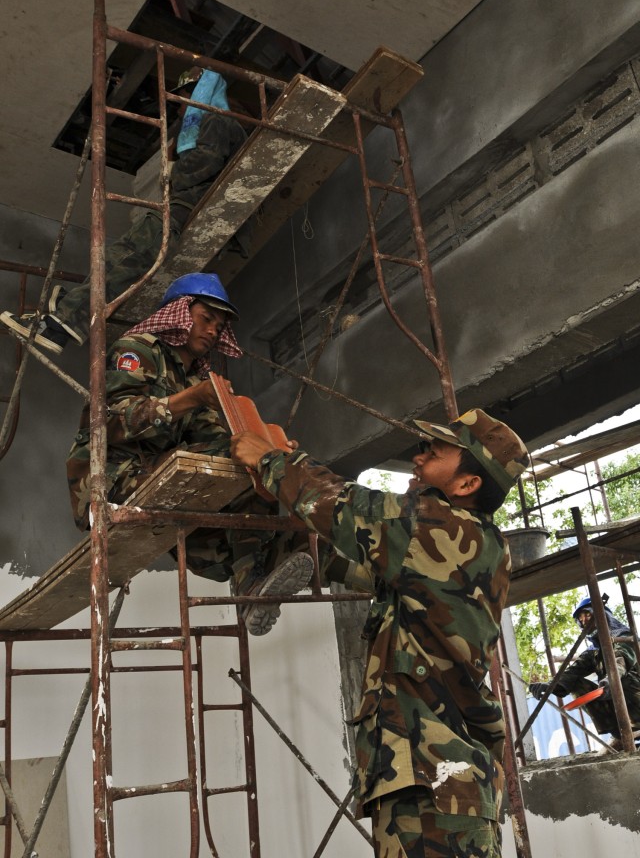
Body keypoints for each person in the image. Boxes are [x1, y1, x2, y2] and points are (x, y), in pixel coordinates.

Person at [230, 409, 529, 857]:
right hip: (438, 785)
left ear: (468, 485)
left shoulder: (439, 528)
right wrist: (293, 546)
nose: (419, 456)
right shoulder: (459, 547)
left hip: (433, 786)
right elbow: (359, 564)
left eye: (436, 451)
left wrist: (272, 459)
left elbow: (346, 508)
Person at [66, 271, 313, 636]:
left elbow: (220, 440)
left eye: (220, 325)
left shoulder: (198, 380)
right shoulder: (136, 350)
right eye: (206, 319)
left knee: (254, 472)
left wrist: (270, 448)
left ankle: (254, 581)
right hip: (112, 481)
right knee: (246, 462)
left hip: (165, 478)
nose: (214, 330)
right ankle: (253, 580)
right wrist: (189, 400)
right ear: (179, 314)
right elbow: (114, 424)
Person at [1, 67, 248, 355]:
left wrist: (171, 169)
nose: (179, 109)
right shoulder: (216, 124)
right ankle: (65, 311)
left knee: (127, 260)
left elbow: (202, 166)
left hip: (184, 209)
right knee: (119, 257)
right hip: (181, 209)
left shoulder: (216, 120)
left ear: (199, 94)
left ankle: (59, 326)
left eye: (182, 100)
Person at [529, 595, 640, 750]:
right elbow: (572, 672)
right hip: (619, 701)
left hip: (635, 696)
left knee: (622, 678)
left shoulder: (624, 637)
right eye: (580, 619)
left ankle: (635, 726)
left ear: (603, 616)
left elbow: (621, 661)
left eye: (588, 615)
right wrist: (549, 686)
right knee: (574, 682)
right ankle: (620, 733)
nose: (584, 621)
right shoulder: (593, 651)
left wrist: (611, 680)